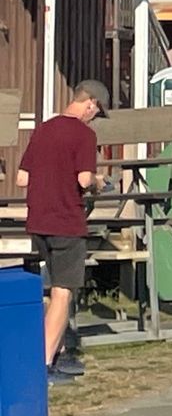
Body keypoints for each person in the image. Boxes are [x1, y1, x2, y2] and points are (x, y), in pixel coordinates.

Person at [14, 80, 107, 382]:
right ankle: (42, 365)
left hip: (38, 222)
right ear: (90, 103)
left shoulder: (43, 130)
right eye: (97, 110)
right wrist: (98, 180)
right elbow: (82, 180)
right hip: (66, 223)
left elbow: (21, 179)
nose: (94, 116)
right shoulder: (84, 135)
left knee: (52, 291)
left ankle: (59, 353)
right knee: (63, 293)